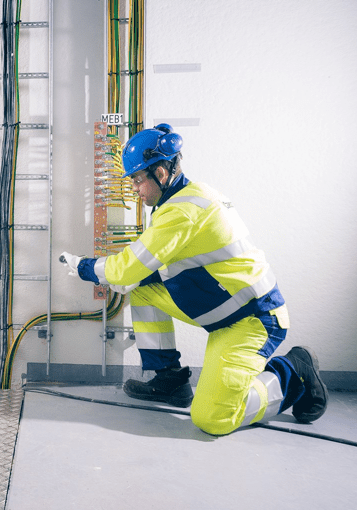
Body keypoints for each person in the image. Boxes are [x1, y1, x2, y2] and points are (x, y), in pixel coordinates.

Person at [60, 124, 327, 436]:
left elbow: (125, 271)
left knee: (211, 419)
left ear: (160, 173)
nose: (134, 188)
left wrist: (83, 267)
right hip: (227, 310)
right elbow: (142, 274)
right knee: (144, 290)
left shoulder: (181, 212)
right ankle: (168, 379)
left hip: (253, 321)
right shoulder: (188, 197)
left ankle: (292, 372)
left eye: (137, 179)